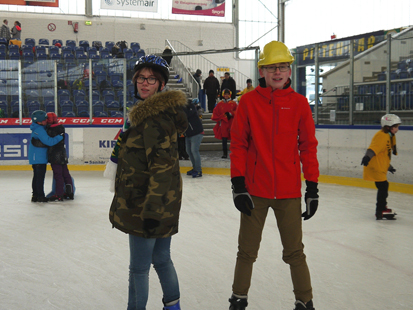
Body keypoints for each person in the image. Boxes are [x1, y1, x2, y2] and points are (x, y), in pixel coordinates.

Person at [228, 41, 319, 310]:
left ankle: (305, 300)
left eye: (282, 66)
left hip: (289, 192)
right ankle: (239, 297)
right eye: (271, 67)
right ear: (262, 70)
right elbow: (238, 145)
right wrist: (238, 184)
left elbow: (308, 147)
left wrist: (312, 188)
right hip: (255, 190)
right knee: (246, 251)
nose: (277, 72)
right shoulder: (248, 103)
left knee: (294, 252)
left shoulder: (300, 104)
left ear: (289, 70)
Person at [107, 55, 188, 310]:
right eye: (141, 78)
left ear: (161, 84)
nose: (145, 83)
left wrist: (151, 211)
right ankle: (173, 306)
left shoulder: (152, 120)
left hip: (145, 204)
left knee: (139, 269)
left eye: (152, 79)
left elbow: (161, 170)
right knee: (162, 259)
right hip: (163, 202)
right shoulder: (157, 114)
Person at [361, 114, 401, 220]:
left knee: (383, 187)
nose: (397, 129)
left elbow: (383, 155)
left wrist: (389, 166)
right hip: (375, 167)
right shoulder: (381, 136)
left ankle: (381, 208)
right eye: (396, 126)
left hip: (380, 167)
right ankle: (380, 210)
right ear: (388, 126)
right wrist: (367, 158)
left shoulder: (388, 136)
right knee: (383, 187)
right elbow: (373, 149)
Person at [28, 110, 63, 203]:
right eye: (44, 119)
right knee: (39, 178)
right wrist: (60, 136)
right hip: (39, 158)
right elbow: (49, 141)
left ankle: (35, 195)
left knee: (36, 177)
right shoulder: (39, 130)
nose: (46, 121)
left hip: (37, 157)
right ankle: (40, 196)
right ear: (39, 121)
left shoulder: (38, 128)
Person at [44, 112, 74, 201]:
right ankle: (70, 192)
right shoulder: (61, 127)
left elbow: (48, 141)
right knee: (66, 174)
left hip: (54, 154)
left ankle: (59, 194)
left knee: (58, 175)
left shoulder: (49, 130)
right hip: (62, 153)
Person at [211, 89, 237, 159]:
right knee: (224, 139)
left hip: (232, 123)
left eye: (227, 94)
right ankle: (225, 154)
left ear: (229, 95)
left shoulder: (234, 103)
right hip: (223, 124)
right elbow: (215, 113)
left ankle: (234, 153)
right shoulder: (219, 104)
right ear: (223, 95)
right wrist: (222, 116)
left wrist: (231, 114)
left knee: (233, 139)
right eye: (225, 94)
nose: (226, 95)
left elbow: (238, 112)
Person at [183, 98, 204, 178]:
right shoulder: (181, 108)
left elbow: (188, 114)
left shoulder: (190, 106)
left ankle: (198, 170)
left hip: (197, 132)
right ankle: (195, 168)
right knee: (189, 151)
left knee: (194, 151)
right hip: (188, 133)